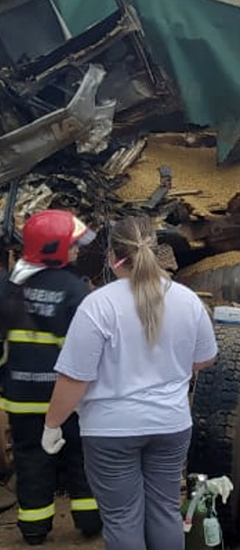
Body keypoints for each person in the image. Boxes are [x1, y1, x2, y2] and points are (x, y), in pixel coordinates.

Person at [42, 215, 217, 550]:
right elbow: (205, 358)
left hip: (110, 432)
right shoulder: (187, 300)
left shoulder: (98, 305)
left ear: (112, 257)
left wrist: (53, 424)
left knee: (123, 517)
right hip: (170, 425)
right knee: (165, 511)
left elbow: (75, 377)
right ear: (156, 251)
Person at [0, 209, 101, 544]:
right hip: (65, 398)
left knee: (30, 459)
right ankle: (90, 520)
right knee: (80, 455)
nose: (76, 251)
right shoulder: (75, 291)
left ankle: (33, 528)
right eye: (71, 245)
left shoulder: (8, 285)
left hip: (20, 397)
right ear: (54, 248)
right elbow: (86, 350)